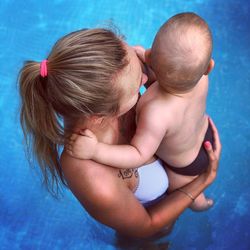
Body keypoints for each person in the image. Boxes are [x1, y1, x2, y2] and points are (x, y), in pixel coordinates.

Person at [19, 27, 221, 239]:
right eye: (137, 87)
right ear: (101, 115)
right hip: (156, 227)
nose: (146, 76)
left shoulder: (117, 72)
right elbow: (146, 225)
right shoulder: (87, 170)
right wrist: (204, 181)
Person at [66, 13, 215, 211]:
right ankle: (204, 203)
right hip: (206, 137)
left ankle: (200, 204)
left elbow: (138, 154)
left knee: (184, 192)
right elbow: (173, 79)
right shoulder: (201, 80)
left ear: (150, 57)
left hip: (183, 167)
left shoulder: (156, 112)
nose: (144, 78)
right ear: (209, 67)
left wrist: (95, 150)